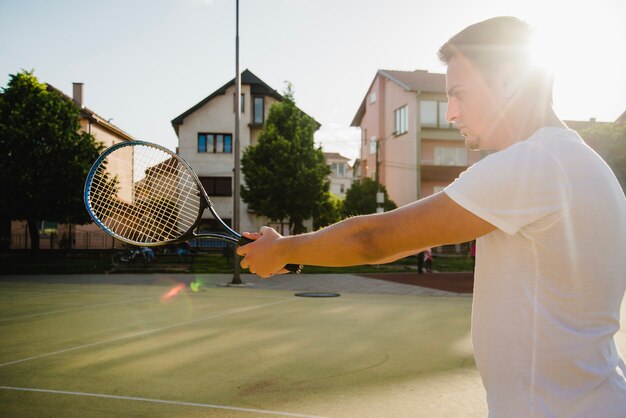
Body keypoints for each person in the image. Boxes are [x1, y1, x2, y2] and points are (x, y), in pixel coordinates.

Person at [237, 16, 626, 417]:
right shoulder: (575, 161)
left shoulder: (536, 163)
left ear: (509, 80)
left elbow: (375, 239)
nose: (451, 113)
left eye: (459, 94)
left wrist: (283, 249)